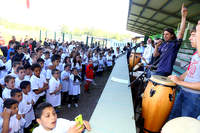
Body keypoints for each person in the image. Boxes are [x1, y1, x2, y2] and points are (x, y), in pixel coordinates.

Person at [168, 20, 200, 120]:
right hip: (183, 92)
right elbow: (189, 71)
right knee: (173, 119)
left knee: (184, 125)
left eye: (194, 35)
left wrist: (179, 82)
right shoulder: (195, 54)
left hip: (194, 98)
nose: (189, 38)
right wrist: (177, 79)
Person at [152, 4, 187, 76]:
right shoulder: (163, 44)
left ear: (172, 35)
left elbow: (181, 32)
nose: (165, 36)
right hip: (158, 69)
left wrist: (183, 17)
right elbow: (155, 55)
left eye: (167, 34)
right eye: (164, 34)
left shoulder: (175, 43)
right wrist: (156, 46)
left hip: (166, 71)